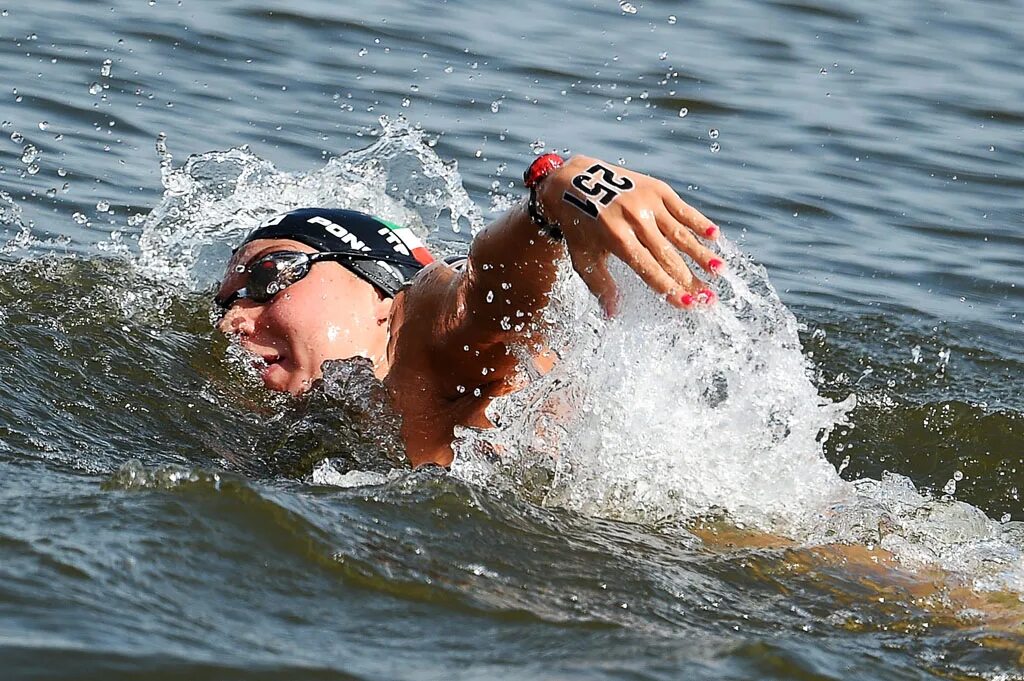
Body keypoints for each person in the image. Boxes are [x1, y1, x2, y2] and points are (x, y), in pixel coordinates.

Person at [215, 154, 724, 467]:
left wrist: (555, 197)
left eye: (267, 276)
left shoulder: (419, 327)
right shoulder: (345, 411)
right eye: (227, 302)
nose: (231, 320)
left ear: (380, 290)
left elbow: (480, 296)